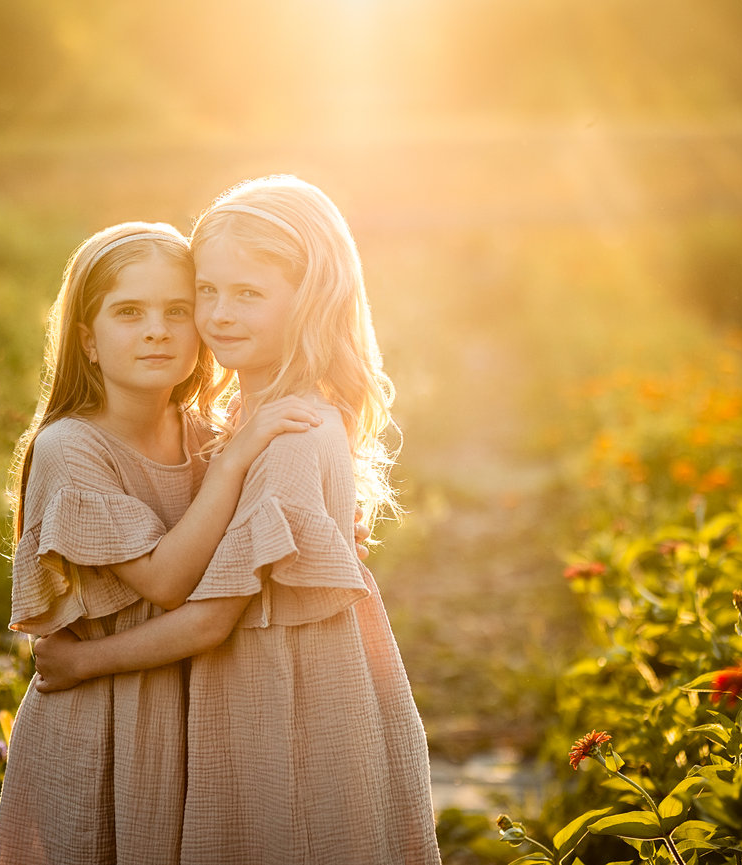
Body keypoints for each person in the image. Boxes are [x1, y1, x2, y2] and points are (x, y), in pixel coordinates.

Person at [33, 176, 442, 864]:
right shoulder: (241, 423)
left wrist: (81, 659)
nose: (219, 314)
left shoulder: (288, 430)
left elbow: (208, 617)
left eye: (248, 293)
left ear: (309, 299)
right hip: (260, 697)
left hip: (280, 708)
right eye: (209, 293)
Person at [0, 220, 323, 865]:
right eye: (129, 312)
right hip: (101, 723)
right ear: (87, 342)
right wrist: (232, 464)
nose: (157, 330)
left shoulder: (208, 434)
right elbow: (167, 582)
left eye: (177, 310)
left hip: (200, 712)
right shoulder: (72, 447)